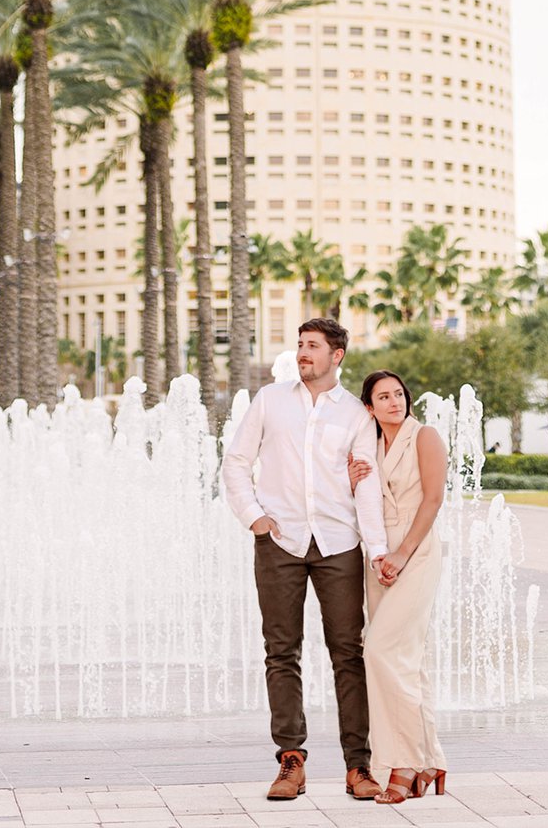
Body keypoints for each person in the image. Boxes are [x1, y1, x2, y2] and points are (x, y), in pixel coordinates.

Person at [222, 317, 389, 802]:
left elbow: (367, 485)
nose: (302, 353)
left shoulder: (357, 416)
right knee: (281, 651)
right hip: (280, 543)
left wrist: (376, 549)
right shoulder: (270, 400)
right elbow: (235, 462)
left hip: (339, 544)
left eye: (312, 346)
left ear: (337, 355)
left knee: (348, 654)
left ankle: (359, 766)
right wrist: (254, 517)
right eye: (299, 345)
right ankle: (290, 760)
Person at [347, 370, 448, 804]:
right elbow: (362, 501)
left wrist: (403, 553)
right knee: (408, 660)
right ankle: (430, 763)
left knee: (381, 650)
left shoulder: (424, 436)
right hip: (378, 557)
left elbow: (433, 499)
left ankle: (403, 764)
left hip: (416, 550)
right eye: (383, 397)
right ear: (368, 407)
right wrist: (350, 482)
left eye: (399, 394)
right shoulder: (366, 446)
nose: (394, 402)